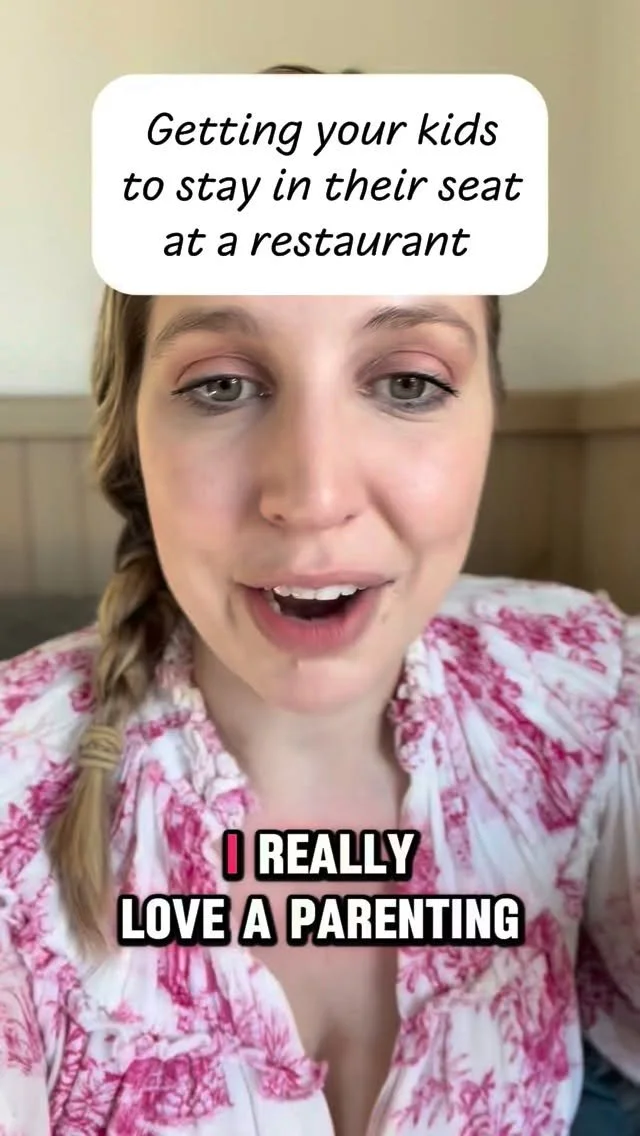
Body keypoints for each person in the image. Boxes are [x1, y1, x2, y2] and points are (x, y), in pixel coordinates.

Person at [1, 82, 639, 1136]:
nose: (313, 493)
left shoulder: (583, 690)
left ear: (490, 413)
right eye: (220, 384)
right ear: (130, 435)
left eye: (406, 382)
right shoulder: (15, 790)